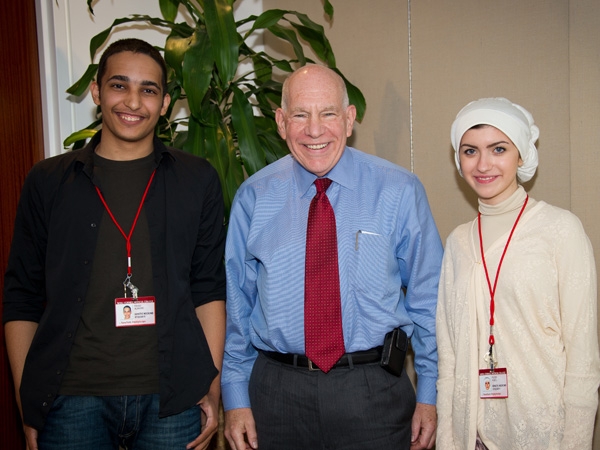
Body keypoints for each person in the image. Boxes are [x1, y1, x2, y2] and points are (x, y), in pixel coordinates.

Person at [3, 38, 226, 450]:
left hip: (173, 398)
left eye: (149, 90)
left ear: (165, 104)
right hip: (69, 398)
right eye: (119, 85)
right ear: (97, 91)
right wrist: (25, 396)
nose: (133, 102)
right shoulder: (49, 182)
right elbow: (22, 295)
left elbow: (208, 287)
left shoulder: (197, 180)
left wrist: (211, 383)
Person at [221, 64, 443, 450]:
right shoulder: (254, 197)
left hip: (373, 391)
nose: (314, 130)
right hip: (277, 393)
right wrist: (235, 396)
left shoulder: (399, 191)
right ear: (280, 121)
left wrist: (430, 391)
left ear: (349, 118)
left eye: (328, 113)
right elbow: (238, 305)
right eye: (300, 115)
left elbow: (429, 299)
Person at [436, 97, 600, 449]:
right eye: (470, 151)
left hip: (542, 434)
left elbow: (583, 360)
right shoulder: (458, 242)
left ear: (522, 155)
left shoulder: (560, 231)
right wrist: (448, 441)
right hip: (471, 435)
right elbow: (448, 356)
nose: (483, 164)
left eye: (498, 149)